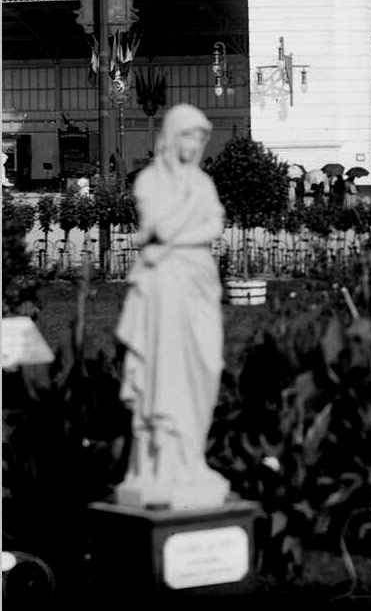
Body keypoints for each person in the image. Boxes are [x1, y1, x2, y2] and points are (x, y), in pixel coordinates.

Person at [115, 103, 230, 510]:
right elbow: (158, 227)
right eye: (188, 135)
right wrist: (184, 227)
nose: (195, 144)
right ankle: (162, 463)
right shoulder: (151, 180)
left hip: (197, 281)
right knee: (166, 369)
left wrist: (173, 235)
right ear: (172, 136)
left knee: (205, 366)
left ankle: (192, 458)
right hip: (163, 288)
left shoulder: (200, 182)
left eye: (200, 138)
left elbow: (211, 225)